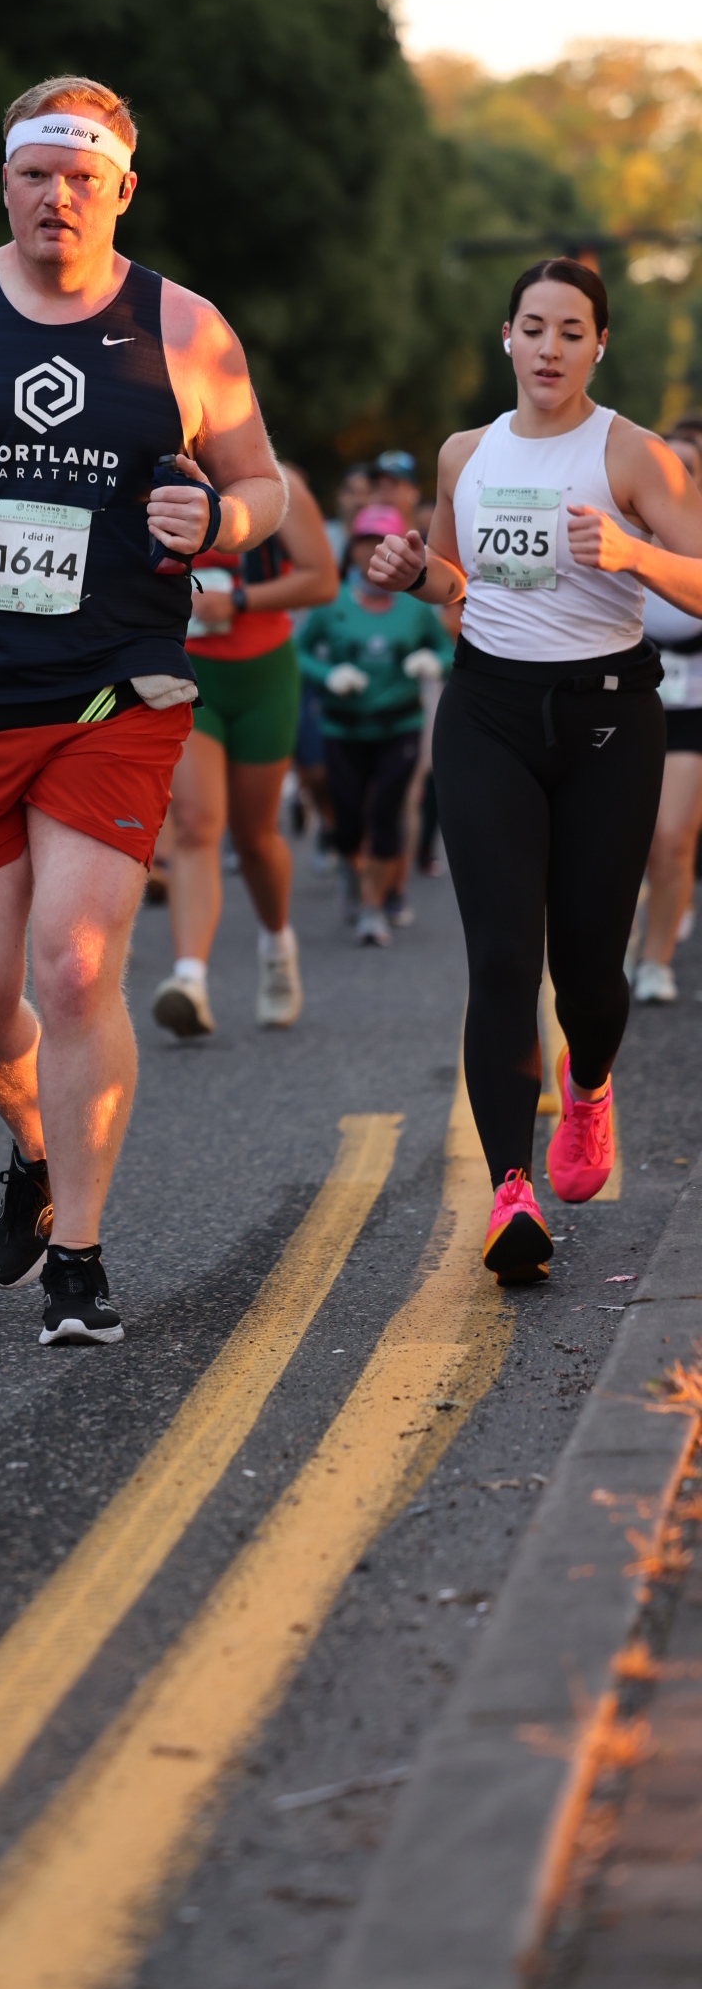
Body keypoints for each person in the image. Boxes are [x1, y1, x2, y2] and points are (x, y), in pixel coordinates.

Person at [0, 75, 285, 1344]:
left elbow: (264, 484)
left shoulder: (185, 328)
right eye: (36, 174)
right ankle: (38, 1150)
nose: (57, 197)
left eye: (82, 177)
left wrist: (225, 521)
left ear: (121, 190)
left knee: (75, 965)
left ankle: (79, 1256)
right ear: (6, 183)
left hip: (115, 692)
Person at [368, 257, 702, 1284]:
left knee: (590, 974)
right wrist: (408, 572)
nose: (549, 348)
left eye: (570, 331)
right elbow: (452, 579)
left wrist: (636, 555)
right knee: (505, 957)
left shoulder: (635, 456)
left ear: (599, 346)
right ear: (504, 338)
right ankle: (510, 1193)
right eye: (532, 327)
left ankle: (590, 1080)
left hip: (609, 722)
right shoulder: (464, 452)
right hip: (488, 713)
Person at [150, 460, 337, 1036]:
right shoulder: (153, 478)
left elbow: (321, 580)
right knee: (197, 823)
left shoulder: (282, 485)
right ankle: (190, 980)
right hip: (190, 671)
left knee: (256, 838)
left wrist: (242, 600)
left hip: (263, 677)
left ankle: (278, 947)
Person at [296, 504, 450, 945]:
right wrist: (329, 675)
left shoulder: (416, 606)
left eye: (383, 543)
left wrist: (430, 661)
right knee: (348, 822)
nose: (373, 552)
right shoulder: (333, 602)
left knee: (386, 814)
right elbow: (299, 652)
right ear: (352, 548)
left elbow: (445, 650)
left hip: (399, 724)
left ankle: (372, 908)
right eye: (365, 542)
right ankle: (352, 874)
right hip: (343, 727)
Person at [632, 431, 702, 1003]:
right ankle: (621, 945)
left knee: (674, 839)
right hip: (622, 702)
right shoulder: (613, 530)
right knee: (627, 844)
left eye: (686, 469)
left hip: (692, 709)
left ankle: (656, 961)